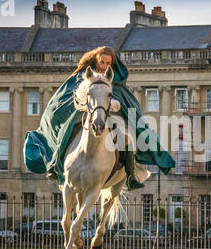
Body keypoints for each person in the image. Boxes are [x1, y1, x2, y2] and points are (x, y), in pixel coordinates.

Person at [24, 46, 175, 190]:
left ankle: (130, 175)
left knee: (127, 138)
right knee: (66, 132)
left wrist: (115, 104)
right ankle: (56, 166)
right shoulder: (82, 77)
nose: (104, 65)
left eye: (108, 63)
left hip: (111, 117)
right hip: (83, 114)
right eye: (102, 62)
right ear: (96, 60)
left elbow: (125, 102)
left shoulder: (114, 80)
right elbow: (68, 97)